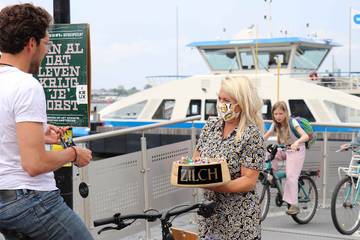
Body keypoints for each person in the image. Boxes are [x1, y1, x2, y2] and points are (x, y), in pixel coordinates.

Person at [0, 3, 93, 240]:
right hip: (31, 200)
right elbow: (35, 164)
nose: (47, 50)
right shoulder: (26, 85)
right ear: (31, 43)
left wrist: (39, 134)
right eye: (46, 43)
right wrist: (74, 154)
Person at [193, 76, 265, 240]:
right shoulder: (211, 126)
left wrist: (215, 186)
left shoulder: (251, 135)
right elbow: (196, 158)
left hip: (238, 219)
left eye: (226, 100)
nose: (221, 103)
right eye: (219, 98)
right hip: (210, 215)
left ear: (241, 102)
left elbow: (248, 181)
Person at [263, 101, 309, 215]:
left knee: (291, 176)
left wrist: (297, 142)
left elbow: (305, 136)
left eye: (280, 113)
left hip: (297, 150)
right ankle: (272, 177)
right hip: (285, 149)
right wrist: (256, 142)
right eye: (275, 114)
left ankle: (294, 205)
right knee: (269, 155)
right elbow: (268, 134)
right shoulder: (275, 124)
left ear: (285, 113)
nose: (278, 116)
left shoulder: (292, 122)